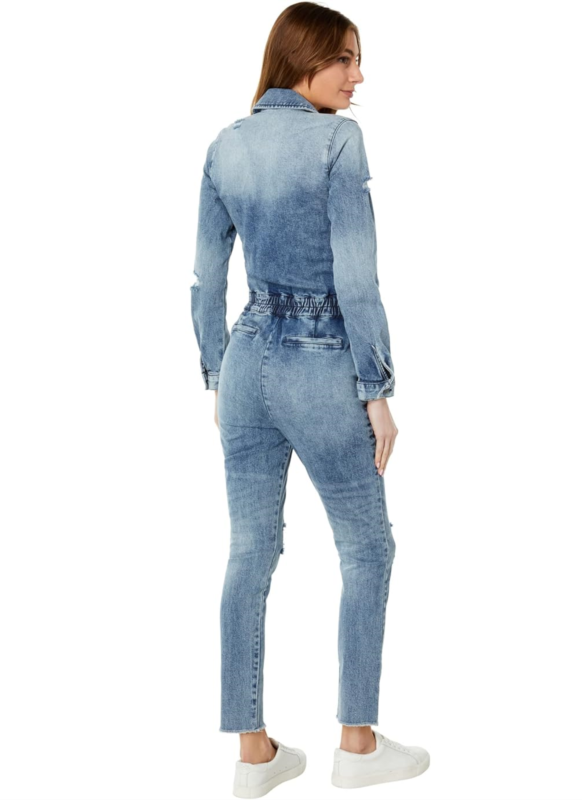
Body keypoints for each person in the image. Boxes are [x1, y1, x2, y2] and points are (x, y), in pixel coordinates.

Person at [190, 3, 429, 795]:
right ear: (304, 59)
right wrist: (377, 388)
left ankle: (253, 755)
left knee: (249, 552)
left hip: (247, 359)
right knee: (367, 548)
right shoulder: (337, 141)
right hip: (323, 361)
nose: (359, 77)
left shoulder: (226, 144)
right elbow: (357, 276)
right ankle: (357, 745)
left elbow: (205, 278)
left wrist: (217, 373)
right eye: (347, 59)